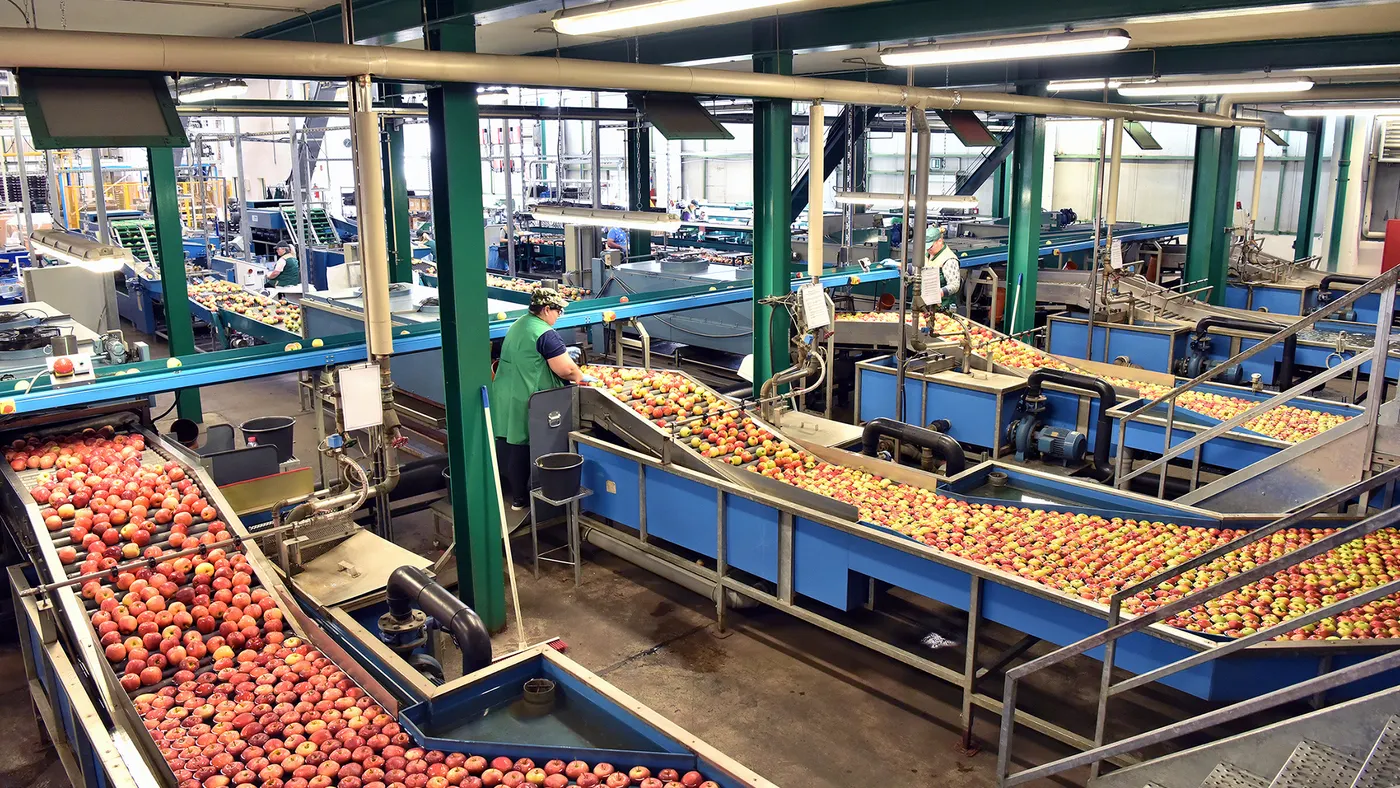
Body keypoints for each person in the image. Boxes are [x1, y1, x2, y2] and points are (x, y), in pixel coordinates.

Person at [491, 288, 592, 510]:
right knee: (524, 444)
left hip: (506, 392)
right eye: (558, 311)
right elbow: (565, 370)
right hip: (529, 398)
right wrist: (582, 377)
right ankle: (523, 498)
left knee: (508, 442)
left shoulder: (519, 324)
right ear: (546, 309)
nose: (559, 316)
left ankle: (509, 494)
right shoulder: (545, 333)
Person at [924, 224, 962, 309]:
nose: (928, 249)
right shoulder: (928, 253)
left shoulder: (949, 259)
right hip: (925, 304)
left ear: (940, 241)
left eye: (930, 246)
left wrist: (939, 293)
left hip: (942, 307)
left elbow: (954, 285)